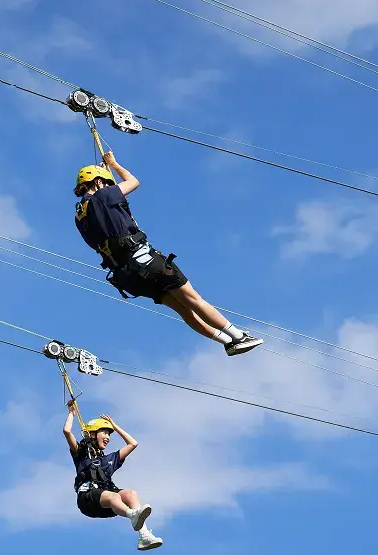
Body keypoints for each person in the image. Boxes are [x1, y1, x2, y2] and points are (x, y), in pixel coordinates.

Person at [74, 151, 263, 356]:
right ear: (99, 182)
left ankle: (226, 341)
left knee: (183, 309)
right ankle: (237, 336)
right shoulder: (103, 195)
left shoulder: (80, 217)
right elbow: (133, 181)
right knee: (193, 299)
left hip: (127, 276)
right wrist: (114, 164)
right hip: (145, 260)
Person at [63, 401, 163, 550]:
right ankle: (132, 514)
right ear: (93, 434)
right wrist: (71, 413)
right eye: (105, 432)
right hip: (87, 499)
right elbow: (66, 431)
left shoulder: (108, 460)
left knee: (130, 494)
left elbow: (133, 443)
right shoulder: (81, 454)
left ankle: (144, 536)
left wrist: (114, 426)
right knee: (114, 496)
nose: (108, 437)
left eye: (110, 434)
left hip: (106, 504)